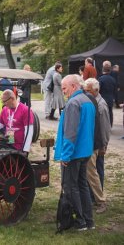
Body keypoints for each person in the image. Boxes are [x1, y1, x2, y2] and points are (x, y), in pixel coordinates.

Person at [54, 75, 96, 231]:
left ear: (73, 86)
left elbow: (71, 133)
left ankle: (80, 221)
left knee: (71, 187)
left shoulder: (73, 103)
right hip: (85, 151)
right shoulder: (88, 101)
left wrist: (65, 155)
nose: (63, 92)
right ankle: (89, 220)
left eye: (64, 88)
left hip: (74, 153)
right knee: (82, 186)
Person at [84, 78, 111, 214]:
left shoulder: (101, 105)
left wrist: (103, 146)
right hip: (95, 143)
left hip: (99, 144)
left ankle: (100, 200)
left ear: (96, 90)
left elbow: (105, 128)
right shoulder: (93, 102)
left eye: (88, 90)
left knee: (96, 172)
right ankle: (95, 198)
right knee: (95, 171)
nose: (86, 92)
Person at [0, 89, 34, 157]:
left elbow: (29, 131)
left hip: (20, 146)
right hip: (9, 142)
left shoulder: (25, 110)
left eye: (4, 101)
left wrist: (25, 150)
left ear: (11, 99)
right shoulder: (5, 109)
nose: (3, 103)